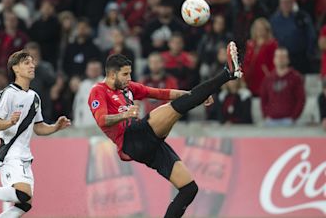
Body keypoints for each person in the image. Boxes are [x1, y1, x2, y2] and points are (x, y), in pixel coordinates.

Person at [88, 41, 242, 218]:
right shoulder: (98, 91)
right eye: (125, 74)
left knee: (189, 188)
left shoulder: (127, 88)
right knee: (178, 108)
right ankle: (227, 73)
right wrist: (124, 115)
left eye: (130, 73)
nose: (129, 78)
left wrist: (194, 95)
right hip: (131, 138)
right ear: (112, 74)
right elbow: (101, 119)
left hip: (147, 144)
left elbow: (161, 93)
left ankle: (227, 74)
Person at [0, 50, 71, 217]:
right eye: (27, 63)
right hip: (10, 154)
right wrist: (9, 122)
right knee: (24, 194)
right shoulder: (8, 94)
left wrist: (55, 127)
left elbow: (39, 127)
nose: (32, 65)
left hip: (25, 155)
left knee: (25, 204)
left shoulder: (35, 97)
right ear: (16, 69)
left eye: (32, 62)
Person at [260, 47, 305, 126]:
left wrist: (294, 117)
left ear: (288, 59)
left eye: (283, 57)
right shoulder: (268, 78)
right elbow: (263, 99)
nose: (280, 59)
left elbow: (301, 99)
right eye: (278, 56)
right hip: (271, 120)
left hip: (288, 120)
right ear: (274, 59)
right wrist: (266, 115)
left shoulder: (295, 77)